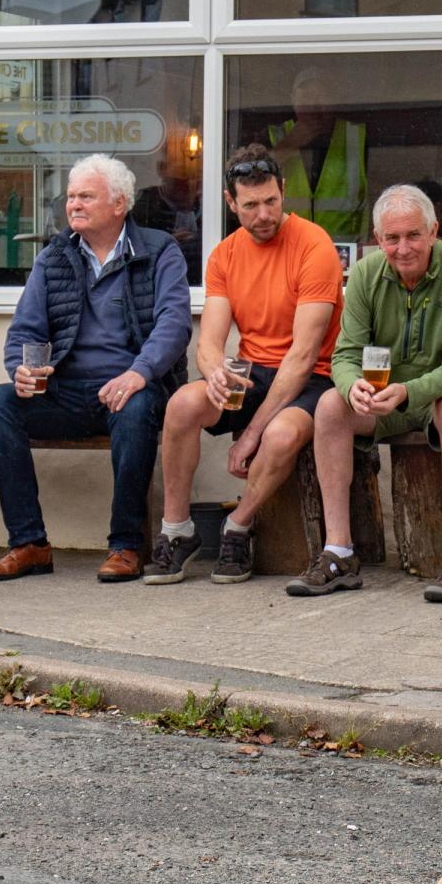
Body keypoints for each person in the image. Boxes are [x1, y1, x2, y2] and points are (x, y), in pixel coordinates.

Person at [0, 155, 193, 585]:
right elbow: (25, 328)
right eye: (71, 197)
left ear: (120, 203)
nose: (74, 205)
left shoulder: (159, 249)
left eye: (86, 196)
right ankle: (29, 543)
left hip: (130, 387)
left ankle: (126, 545)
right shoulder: (54, 256)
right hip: (67, 391)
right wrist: (20, 369)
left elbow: (174, 323)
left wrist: (139, 372)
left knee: (137, 407)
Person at [143, 145, 343, 586]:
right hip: (252, 371)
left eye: (271, 201)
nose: (264, 214)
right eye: (250, 205)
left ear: (283, 191)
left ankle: (239, 527)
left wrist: (250, 434)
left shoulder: (315, 246)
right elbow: (209, 342)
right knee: (182, 405)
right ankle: (177, 530)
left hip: (312, 377)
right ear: (230, 203)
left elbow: (303, 356)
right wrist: (214, 371)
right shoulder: (225, 255)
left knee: (280, 433)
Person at [288, 183, 442, 603]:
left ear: (433, 231)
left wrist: (408, 391)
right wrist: (351, 386)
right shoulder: (363, 272)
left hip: (434, 397)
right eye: (391, 238)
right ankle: (338, 552)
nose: (403, 248)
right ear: (378, 239)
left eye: (413, 235)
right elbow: (344, 355)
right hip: (382, 399)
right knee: (330, 406)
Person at [268, 65, 368, 243]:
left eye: (321, 96)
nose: (313, 105)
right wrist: (290, 143)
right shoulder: (275, 136)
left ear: (334, 101)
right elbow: (250, 185)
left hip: (343, 259)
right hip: (289, 255)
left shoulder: (357, 137)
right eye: (305, 96)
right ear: (292, 100)